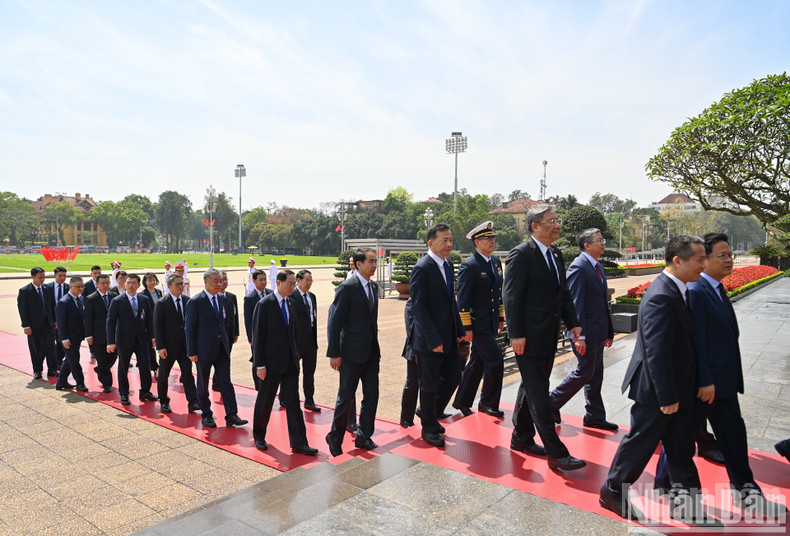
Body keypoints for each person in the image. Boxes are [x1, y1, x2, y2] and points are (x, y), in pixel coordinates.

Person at [654, 233, 786, 515]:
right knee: (685, 437)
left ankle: (742, 488)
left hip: (721, 382)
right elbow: (697, 341)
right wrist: (705, 380)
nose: (729, 260)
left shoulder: (715, 288)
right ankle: (667, 484)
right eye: (721, 255)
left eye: (730, 255)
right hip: (707, 384)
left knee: (728, 437)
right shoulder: (699, 291)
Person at [600, 235, 719, 527]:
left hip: (676, 387)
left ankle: (687, 503)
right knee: (639, 444)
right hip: (657, 390)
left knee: (680, 448)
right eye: (699, 259)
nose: (704, 265)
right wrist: (667, 397)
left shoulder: (679, 289)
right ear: (677, 260)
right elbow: (656, 351)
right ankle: (613, 490)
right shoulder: (662, 295)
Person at [502, 204, 585, 470]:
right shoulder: (520, 255)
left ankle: (522, 437)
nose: (558, 224)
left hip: (549, 334)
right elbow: (511, 297)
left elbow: (563, 294)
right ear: (535, 225)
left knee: (532, 385)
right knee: (539, 391)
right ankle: (556, 452)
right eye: (552, 220)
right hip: (527, 337)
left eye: (558, 219)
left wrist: (573, 325)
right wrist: (515, 333)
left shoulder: (556, 254)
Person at [549, 228, 617, 430]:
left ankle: (594, 415)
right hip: (585, 333)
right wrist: (579, 336)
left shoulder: (597, 266)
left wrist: (609, 332)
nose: (603, 243)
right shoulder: (579, 267)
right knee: (585, 372)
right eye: (599, 240)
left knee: (595, 374)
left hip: (598, 331)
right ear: (587, 245)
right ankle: (551, 403)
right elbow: (575, 305)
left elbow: (602, 304)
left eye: (603, 239)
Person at [408, 224, 466, 448]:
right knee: (429, 384)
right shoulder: (422, 268)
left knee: (454, 376)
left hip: (449, 335)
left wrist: (459, 329)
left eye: (451, 240)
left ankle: (428, 412)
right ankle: (429, 427)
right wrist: (433, 339)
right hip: (429, 339)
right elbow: (419, 308)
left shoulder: (448, 264)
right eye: (444, 240)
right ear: (430, 243)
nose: (449, 244)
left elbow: (451, 301)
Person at [251, 270, 317, 455]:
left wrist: (296, 355)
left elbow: (294, 333)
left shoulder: (291, 303)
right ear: (278, 283)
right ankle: (259, 436)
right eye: (289, 284)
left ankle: (299, 442)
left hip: (290, 363)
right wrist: (260, 364)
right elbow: (259, 337)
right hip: (271, 364)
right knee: (265, 401)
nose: (292, 287)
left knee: (293, 403)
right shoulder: (265, 305)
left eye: (293, 284)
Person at [325, 248, 381, 457]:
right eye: (371, 262)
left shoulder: (373, 287)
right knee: (346, 396)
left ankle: (364, 435)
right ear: (358, 264)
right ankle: (335, 436)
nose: (374, 265)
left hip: (371, 353)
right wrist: (334, 353)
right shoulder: (347, 288)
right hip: (350, 353)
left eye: (376, 261)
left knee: (372, 395)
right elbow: (335, 321)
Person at [452, 221, 506, 418]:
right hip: (477, 324)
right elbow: (463, 299)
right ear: (477, 242)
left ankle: (462, 401)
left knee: (478, 362)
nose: (492, 241)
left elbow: (497, 293)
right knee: (495, 361)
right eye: (487, 238)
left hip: (490, 321)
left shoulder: (495, 262)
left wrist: (500, 317)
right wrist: (465, 327)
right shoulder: (470, 265)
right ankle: (487, 403)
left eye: (493, 238)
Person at [185, 268, 247, 428]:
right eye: (215, 281)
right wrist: (191, 351)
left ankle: (232, 414)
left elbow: (226, 323)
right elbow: (190, 328)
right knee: (203, 383)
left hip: (222, 349)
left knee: (226, 382)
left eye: (221, 281)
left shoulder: (223, 299)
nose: (219, 284)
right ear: (205, 281)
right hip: (203, 350)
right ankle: (206, 414)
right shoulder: (196, 301)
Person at [106, 274, 158, 406]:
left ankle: (145, 391)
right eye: (128, 282)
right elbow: (110, 321)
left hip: (141, 339)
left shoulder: (144, 299)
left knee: (145, 367)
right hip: (124, 340)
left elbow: (148, 320)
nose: (130, 285)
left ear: (139, 285)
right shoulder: (117, 301)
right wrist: (110, 341)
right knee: (123, 367)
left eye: (133, 283)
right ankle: (124, 393)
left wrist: (152, 336)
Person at [154, 273, 199, 414]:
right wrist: (160, 347)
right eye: (177, 284)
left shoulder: (188, 301)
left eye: (182, 284)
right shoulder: (162, 303)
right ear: (169, 286)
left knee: (188, 375)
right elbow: (157, 326)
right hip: (168, 346)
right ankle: (164, 401)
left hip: (185, 346)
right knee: (163, 376)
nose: (181, 287)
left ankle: (193, 402)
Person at [17, 267, 57, 379]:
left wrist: (54, 320)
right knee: (35, 348)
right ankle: (37, 370)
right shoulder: (25, 291)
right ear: (33, 276)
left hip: (48, 324)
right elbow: (22, 310)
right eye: (40, 277)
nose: (42, 279)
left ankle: (52, 369)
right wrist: (26, 325)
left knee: (51, 347)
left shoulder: (48, 289)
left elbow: (52, 305)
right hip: (33, 326)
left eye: (44, 277)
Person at [292, 270, 320, 412]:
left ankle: (309, 400)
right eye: (306, 280)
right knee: (293, 373)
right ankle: (289, 398)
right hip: (296, 342)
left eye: (311, 281)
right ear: (298, 280)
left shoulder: (312, 297)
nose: (309, 284)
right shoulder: (292, 296)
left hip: (310, 342)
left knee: (309, 373)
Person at [84, 274, 117, 392]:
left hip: (113, 335)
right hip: (98, 335)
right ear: (97, 284)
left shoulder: (114, 296)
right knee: (102, 359)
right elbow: (87, 319)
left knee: (113, 356)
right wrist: (88, 335)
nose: (106, 285)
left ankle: (100, 369)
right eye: (103, 283)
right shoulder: (91, 298)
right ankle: (107, 384)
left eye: (107, 283)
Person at [55, 276, 88, 392]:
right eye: (78, 287)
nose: (81, 289)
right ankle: (80, 383)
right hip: (68, 338)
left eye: (82, 286)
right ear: (70, 287)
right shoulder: (63, 302)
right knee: (74, 361)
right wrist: (64, 339)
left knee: (70, 359)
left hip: (77, 336)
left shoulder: (80, 299)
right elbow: (61, 323)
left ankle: (61, 381)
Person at [244, 270, 272, 390]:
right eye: (260, 279)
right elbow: (248, 320)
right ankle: (258, 385)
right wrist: (251, 338)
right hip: (257, 336)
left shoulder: (271, 294)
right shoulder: (249, 298)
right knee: (258, 359)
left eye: (265, 279)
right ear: (254, 281)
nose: (263, 282)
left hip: (271, 335)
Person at [140, 273, 162, 381]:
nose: (152, 282)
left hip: (159, 323)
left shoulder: (159, 292)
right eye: (149, 280)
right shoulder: (143, 294)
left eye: (154, 280)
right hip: (149, 324)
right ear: (145, 282)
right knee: (150, 347)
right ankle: (154, 367)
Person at [48, 266, 69, 369]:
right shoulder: (48, 288)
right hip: (52, 321)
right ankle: (53, 363)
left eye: (64, 276)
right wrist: (53, 320)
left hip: (65, 321)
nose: (62, 278)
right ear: (54, 276)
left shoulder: (69, 288)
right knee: (51, 344)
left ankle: (59, 362)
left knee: (62, 342)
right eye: (60, 276)